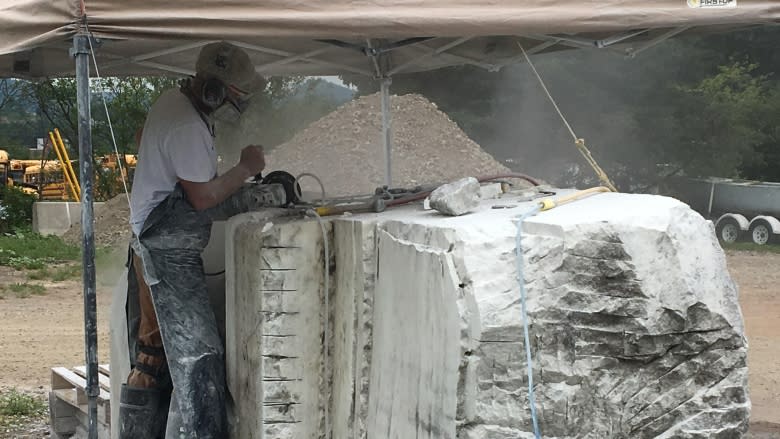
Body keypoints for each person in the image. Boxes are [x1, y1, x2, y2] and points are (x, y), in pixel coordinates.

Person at [119, 41, 286, 438]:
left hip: (157, 239)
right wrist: (246, 169)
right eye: (237, 95)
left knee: (155, 355)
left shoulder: (175, 103)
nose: (238, 103)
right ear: (214, 89)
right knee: (200, 358)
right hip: (166, 248)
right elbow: (203, 197)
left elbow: (161, 152)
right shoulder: (187, 124)